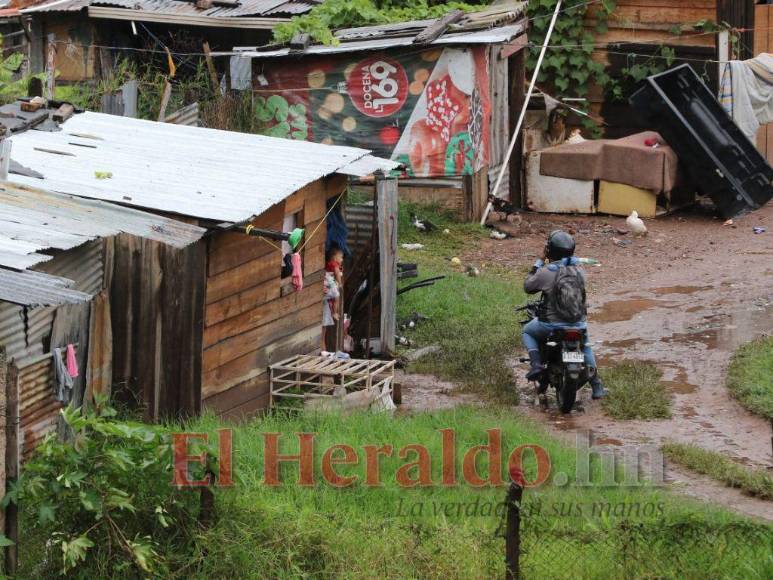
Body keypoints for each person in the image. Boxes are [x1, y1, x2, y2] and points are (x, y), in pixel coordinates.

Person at [522, 230, 608, 399]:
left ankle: (537, 364)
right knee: (586, 346)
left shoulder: (546, 272)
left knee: (527, 331)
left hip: (550, 325)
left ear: (549, 250)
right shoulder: (580, 271)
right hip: (578, 324)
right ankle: (597, 388)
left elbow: (528, 287)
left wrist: (539, 262)